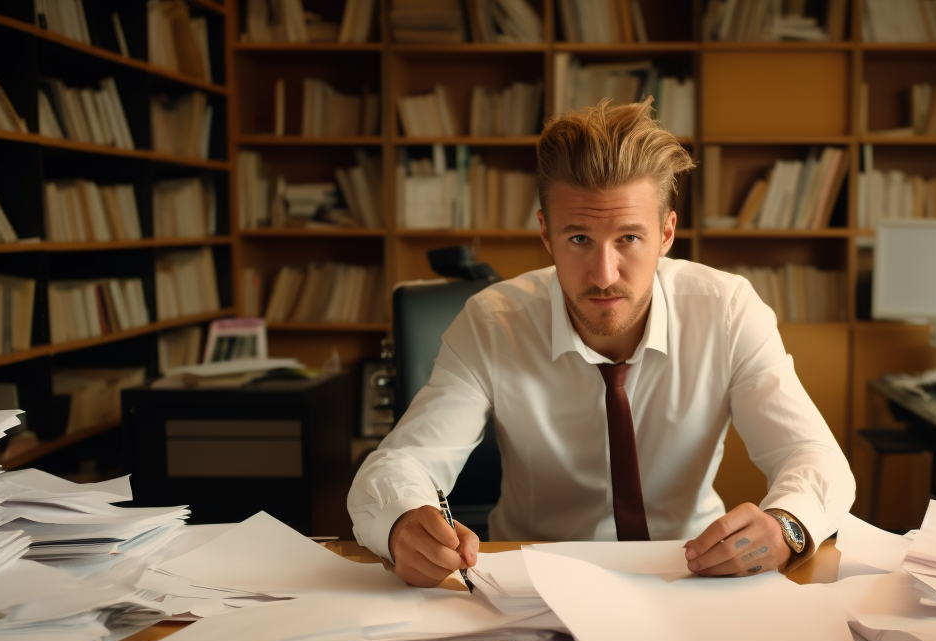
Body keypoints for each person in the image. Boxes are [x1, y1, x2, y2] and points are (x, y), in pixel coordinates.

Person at [348, 99, 855, 588]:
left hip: (694, 576)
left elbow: (814, 456)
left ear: (667, 232)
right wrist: (401, 524)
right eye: (579, 239)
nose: (604, 274)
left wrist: (788, 525)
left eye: (629, 239)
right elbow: (401, 464)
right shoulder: (492, 322)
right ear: (545, 234)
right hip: (532, 586)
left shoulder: (725, 310)